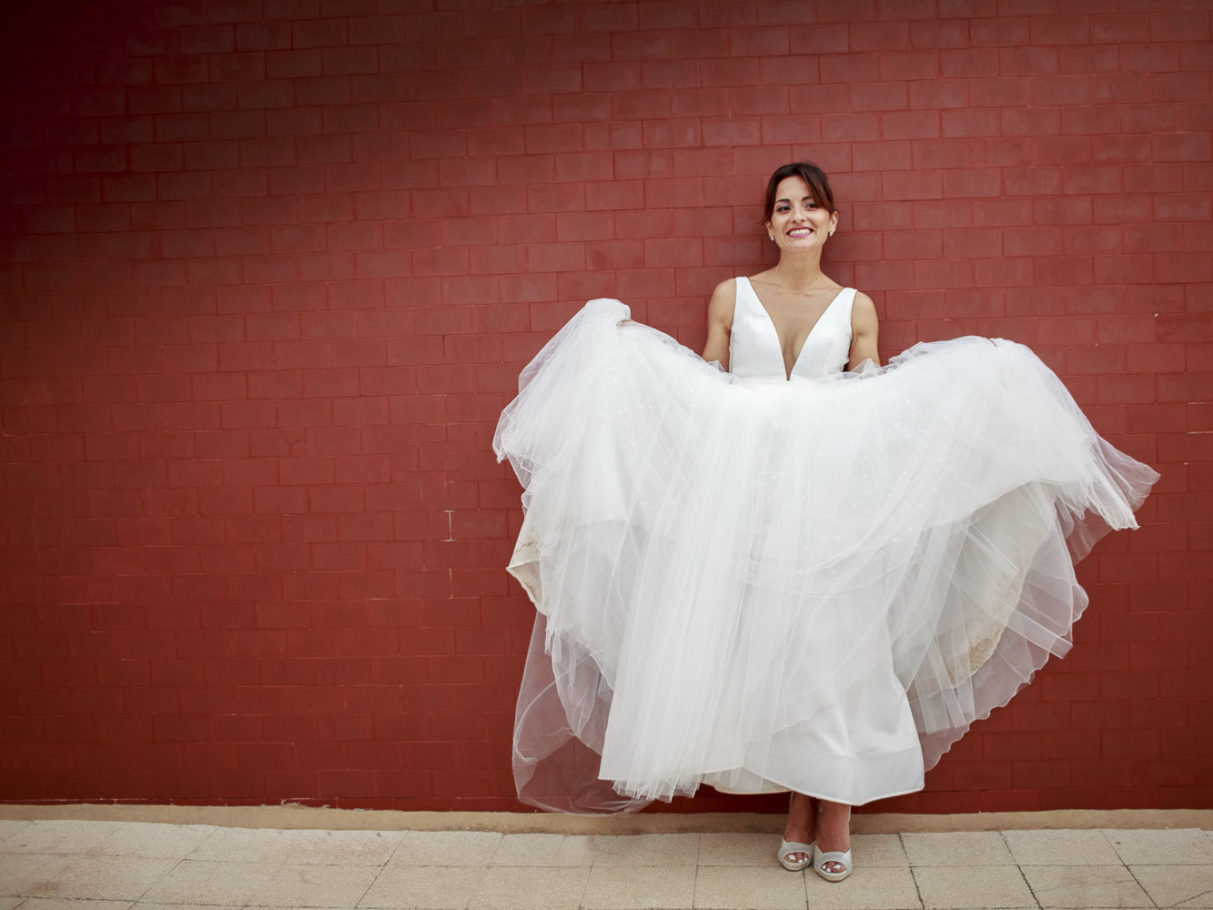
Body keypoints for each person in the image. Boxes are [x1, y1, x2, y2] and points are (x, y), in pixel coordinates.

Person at [493, 162, 1157, 883]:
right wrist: (627, 363)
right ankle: (797, 807)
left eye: (810, 204)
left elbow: (871, 404)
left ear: (832, 221)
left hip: (829, 505)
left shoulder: (855, 308)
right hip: (746, 502)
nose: (796, 215)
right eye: (783, 207)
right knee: (769, 649)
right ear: (768, 225)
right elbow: (705, 384)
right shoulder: (732, 296)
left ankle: (831, 807)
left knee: (840, 646)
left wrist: (980, 378)